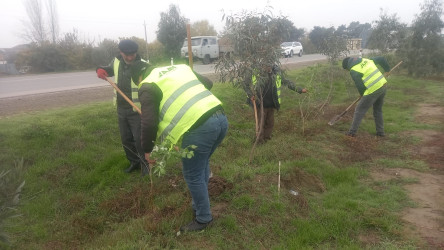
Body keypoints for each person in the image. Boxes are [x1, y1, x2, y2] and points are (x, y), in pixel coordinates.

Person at [132, 62, 228, 232]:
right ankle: (198, 205)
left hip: (201, 128)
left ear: (140, 77)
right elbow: (208, 83)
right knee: (202, 164)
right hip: (220, 118)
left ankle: (204, 218)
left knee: (192, 174)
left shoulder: (147, 85)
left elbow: (148, 123)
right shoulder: (180, 69)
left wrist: (147, 150)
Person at [96, 39, 148, 176]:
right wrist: (100, 70)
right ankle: (134, 162)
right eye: (127, 55)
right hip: (121, 107)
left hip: (137, 109)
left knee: (139, 140)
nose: (130, 57)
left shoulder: (144, 66)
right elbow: (108, 70)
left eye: (133, 54)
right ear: (121, 52)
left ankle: (146, 166)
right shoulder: (117, 61)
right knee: (126, 139)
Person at [244, 64, 307, 143]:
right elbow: (245, 84)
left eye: (269, 65)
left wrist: (299, 90)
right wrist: (250, 95)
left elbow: (286, 82)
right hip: (260, 104)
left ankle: (267, 138)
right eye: (266, 65)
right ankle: (259, 140)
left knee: (270, 123)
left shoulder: (276, 72)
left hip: (272, 103)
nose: (268, 67)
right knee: (261, 123)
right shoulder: (255, 72)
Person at [342, 56, 391, 137]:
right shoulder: (366, 60)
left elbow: (360, 85)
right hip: (382, 86)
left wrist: (362, 94)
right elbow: (381, 59)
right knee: (378, 110)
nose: (348, 71)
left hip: (373, 90)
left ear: (347, 66)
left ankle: (351, 132)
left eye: (347, 70)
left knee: (359, 110)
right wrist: (387, 70)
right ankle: (380, 132)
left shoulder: (354, 70)